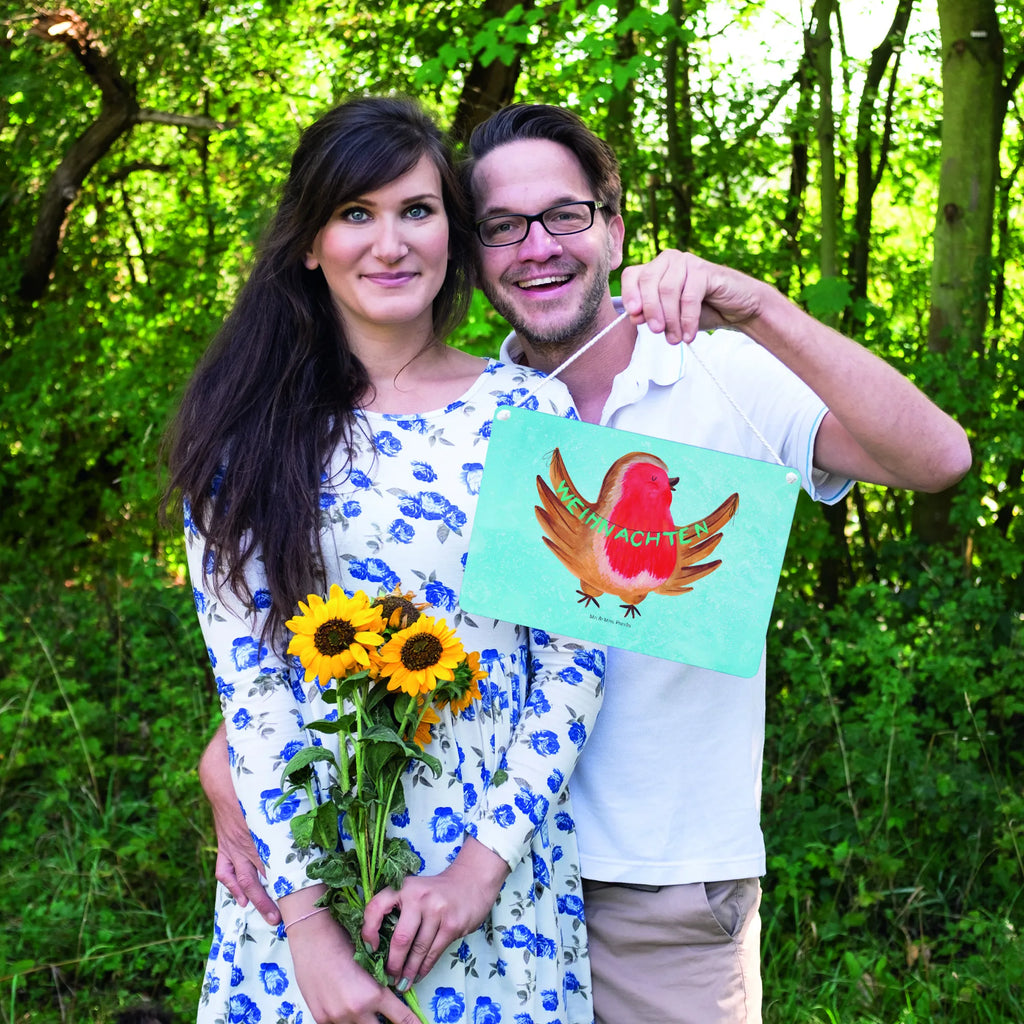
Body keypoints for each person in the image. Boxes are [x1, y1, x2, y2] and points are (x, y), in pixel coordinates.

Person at [201, 102, 972, 1024]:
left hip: (652, 888)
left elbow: (939, 459)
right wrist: (233, 757)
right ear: (474, 249)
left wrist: (758, 306)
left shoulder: (707, 375)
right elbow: (341, 624)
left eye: (564, 215)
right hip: (421, 871)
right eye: (503, 226)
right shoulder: (476, 413)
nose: (537, 247)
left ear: (614, 228)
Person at [164, 96, 608, 1024]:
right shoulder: (245, 436)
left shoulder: (530, 413)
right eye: (355, 213)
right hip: (303, 879)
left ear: (453, 230)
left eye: (417, 210)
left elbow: (574, 661)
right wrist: (310, 934)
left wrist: (478, 873)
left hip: (492, 882)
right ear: (309, 243)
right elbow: (252, 687)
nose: (391, 243)